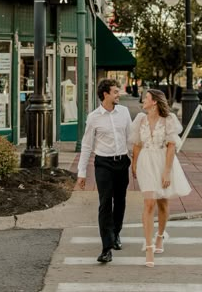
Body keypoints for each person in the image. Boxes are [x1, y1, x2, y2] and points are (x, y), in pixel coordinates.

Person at [130, 88, 191, 267]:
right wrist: (134, 164)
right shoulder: (140, 119)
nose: (143, 101)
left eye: (146, 98)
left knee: (162, 203)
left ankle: (160, 236)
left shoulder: (168, 120)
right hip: (145, 162)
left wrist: (166, 171)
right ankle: (149, 247)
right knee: (149, 202)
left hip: (163, 161)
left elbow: (172, 146)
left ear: (154, 101)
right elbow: (136, 144)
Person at [77, 78, 132, 264]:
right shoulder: (93, 117)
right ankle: (106, 247)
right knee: (105, 203)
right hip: (103, 164)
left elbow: (131, 138)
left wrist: (138, 163)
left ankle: (116, 232)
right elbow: (86, 145)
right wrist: (81, 173)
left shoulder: (124, 113)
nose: (119, 95)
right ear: (105, 94)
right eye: (116, 92)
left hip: (122, 162)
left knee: (121, 201)